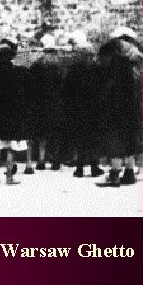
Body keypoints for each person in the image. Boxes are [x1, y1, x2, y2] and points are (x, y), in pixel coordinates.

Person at [96, 29, 142, 187]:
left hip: (113, 102)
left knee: (114, 136)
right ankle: (129, 171)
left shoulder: (109, 51)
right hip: (133, 103)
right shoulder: (137, 55)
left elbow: (103, 77)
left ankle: (115, 174)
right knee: (129, 135)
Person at [0, 41, 32, 184]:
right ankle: (9, 175)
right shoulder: (18, 73)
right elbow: (23, 94)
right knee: (10, 148)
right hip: (12, 114)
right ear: (10, 57)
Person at [62, 31, 104, 178]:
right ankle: (94, 167)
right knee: (93, 139)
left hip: (77, 108)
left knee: (79, 139)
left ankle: (79, 168)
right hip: (93, 108)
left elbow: (66, 89)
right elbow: (101, 89)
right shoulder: (96, 69)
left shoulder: (74, 69)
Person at [26, 34, 66, 171]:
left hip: (40, 103)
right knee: (55, 133)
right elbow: (63, 84)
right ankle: (55, 161)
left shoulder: (37, 64)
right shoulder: (59, 64)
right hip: (56, 103)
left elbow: (31, 83)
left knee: (42, 133)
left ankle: (41, 160)